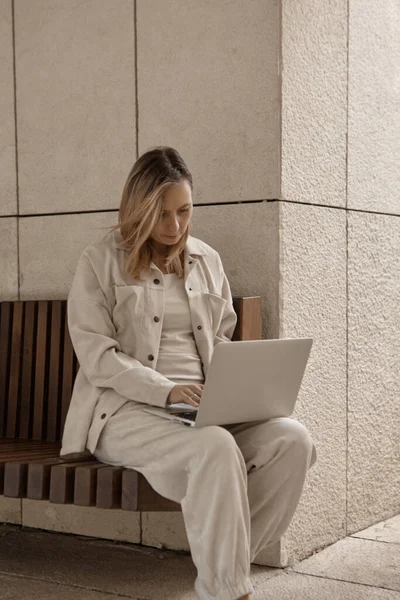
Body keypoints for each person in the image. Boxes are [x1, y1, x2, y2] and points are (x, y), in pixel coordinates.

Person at [60, 146, 317, 600]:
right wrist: (166, 391)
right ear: (137, 209)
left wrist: (240, 387)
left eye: (184, 211)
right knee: (215, 447)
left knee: (292, 440)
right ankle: (229, 590)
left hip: (202, 411)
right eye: (161, 215)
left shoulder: (206, 260)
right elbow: (98, 357)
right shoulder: (98, 262)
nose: (175, 227)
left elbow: (220, 341)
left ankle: (224, 569)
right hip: (124, 413)